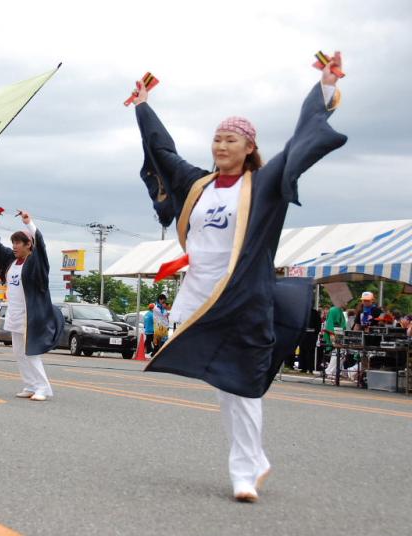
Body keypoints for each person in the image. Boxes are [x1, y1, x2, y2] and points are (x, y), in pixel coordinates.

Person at [132, 53, 346, 501]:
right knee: (225, 383)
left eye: (230, 139)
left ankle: (247, 471)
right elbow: (163, 152)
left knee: (242, 384)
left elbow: (301, 142)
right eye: (216, 139)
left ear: (249, 147)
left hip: (245, 298)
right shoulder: (198, 185)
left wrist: (324, 90)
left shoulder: (264, 185)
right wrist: (144, 106)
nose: (220, 146)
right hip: (199, 299)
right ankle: (250, 460)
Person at [0, 209, 63, 401]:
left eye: (19, 243)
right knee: (18, 352)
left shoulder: (35, 262)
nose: (15, 246)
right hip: (15, 313)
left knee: (31, 351)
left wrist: (29, 224)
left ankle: (43, 387)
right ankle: (30, 385)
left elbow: (41, 248)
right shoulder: (11, 261)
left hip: (32, 315)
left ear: (28, 245)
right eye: (13, 243)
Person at [298, 307, 322, 373]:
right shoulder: (315, 313)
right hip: (310, 335)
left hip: (308, 335)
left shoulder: (304, 312)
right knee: (307, 352)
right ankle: (307, 368)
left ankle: (306, 368)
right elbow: (318, 326)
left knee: (307, 352)